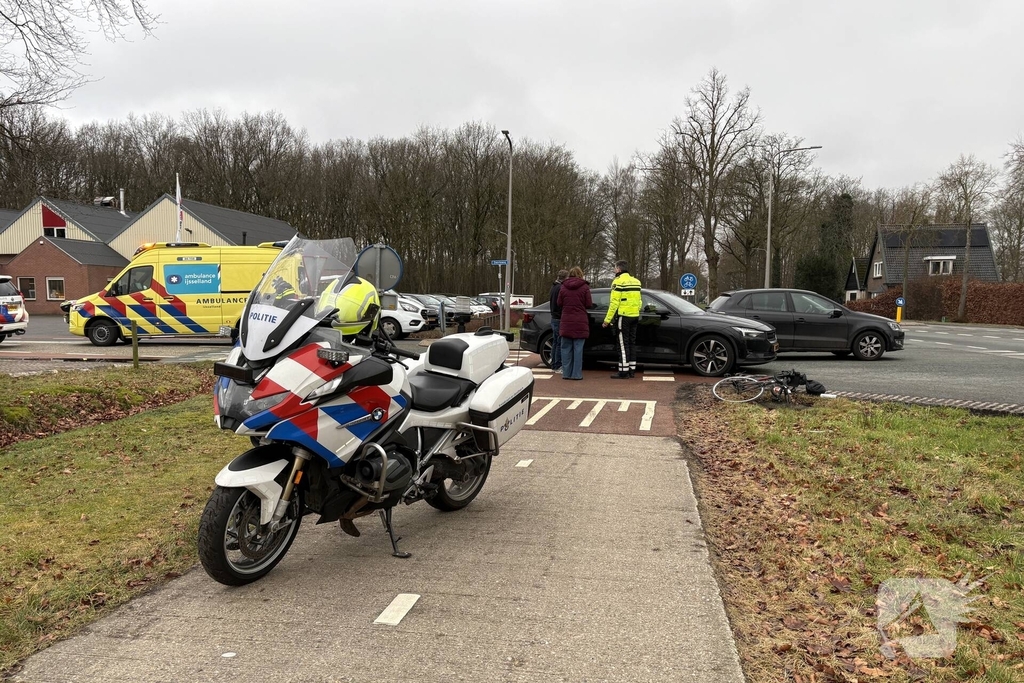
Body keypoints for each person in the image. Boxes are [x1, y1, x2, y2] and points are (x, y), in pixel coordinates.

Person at [602, 260, 642, 379]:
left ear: (619, 269)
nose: (614, 271)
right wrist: (636, 310)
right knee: (631, 342)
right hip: (634, 315)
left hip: (623, 316)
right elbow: (639, 301)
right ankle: (632, 370)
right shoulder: (636, 282)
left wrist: (607, 320)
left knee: (623, 344)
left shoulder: (618, 282)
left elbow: (614, 303)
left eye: (615, 269)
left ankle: (623, 372)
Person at [556, 266, 592, 380]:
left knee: (565, 348)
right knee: (578, 349)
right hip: (580, 321)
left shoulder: (563, 287)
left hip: (566, 321)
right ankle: (576, 374)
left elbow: (559, 303)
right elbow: (589, 304)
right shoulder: (585, 287)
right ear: (580, 275)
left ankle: (566, 373)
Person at [548, 269, 568, 372]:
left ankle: (554, 364)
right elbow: (560, 303)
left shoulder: (554, 287)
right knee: (559, 342)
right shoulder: (561, 288)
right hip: (559, 317)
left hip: (553, 317)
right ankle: (558, 365)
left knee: (555, 342)